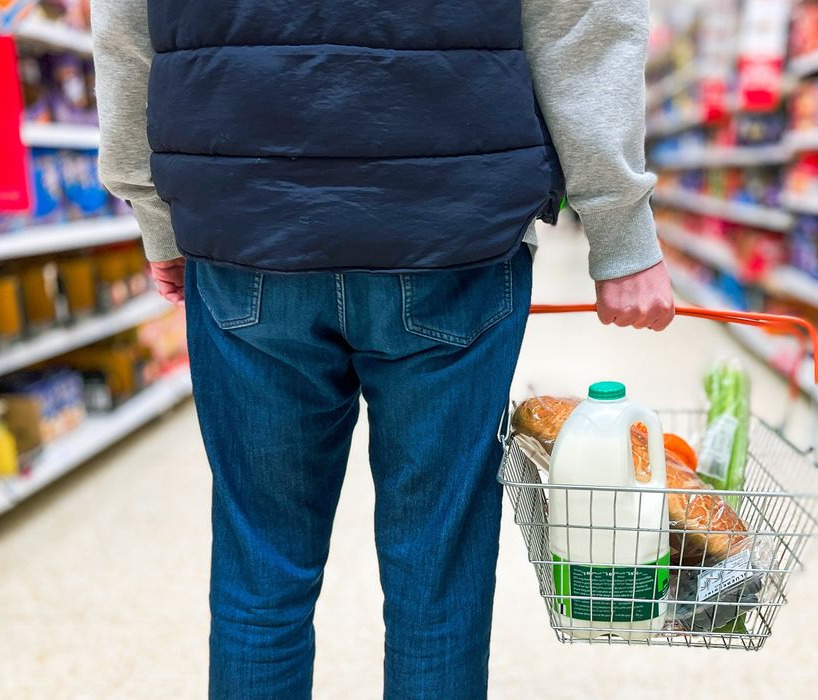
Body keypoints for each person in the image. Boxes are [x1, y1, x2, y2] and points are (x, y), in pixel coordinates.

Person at [91, 1, 673, 698]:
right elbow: (580, 20)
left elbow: (124, 30)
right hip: (451, 229)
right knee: (436, 575)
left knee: (262, 567)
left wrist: (158, 214)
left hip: (245, 228)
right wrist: (619, 227)